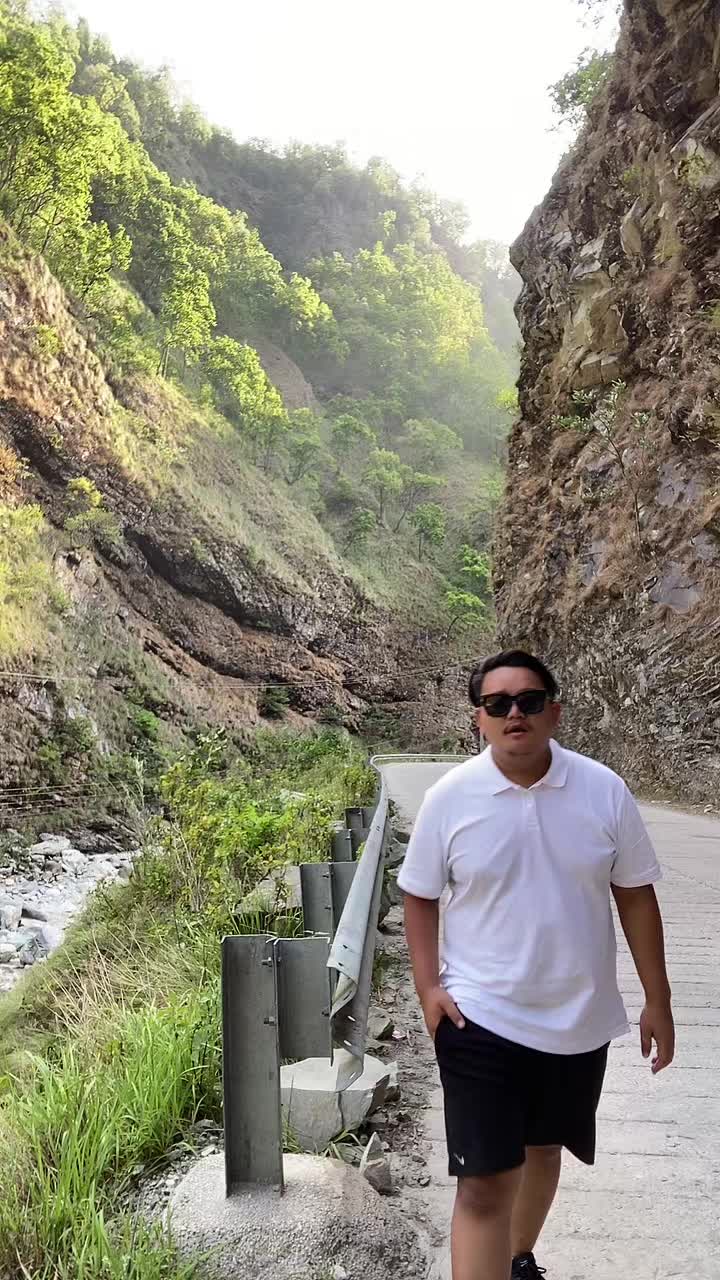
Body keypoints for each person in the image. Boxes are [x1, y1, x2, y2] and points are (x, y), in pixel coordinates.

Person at [398, 649, 674, 1280]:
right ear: (479, 719)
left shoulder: (603, 790)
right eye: (497, 704)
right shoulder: (450, 798)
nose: (513, 713)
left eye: (528, 700)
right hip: (477, 1014)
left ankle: (518, 1260)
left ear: (555, 712)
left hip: (578, 1019)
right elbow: (418, 894)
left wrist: (657, 1000)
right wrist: (428, 987)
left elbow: (635, 895)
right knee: (484, 1183)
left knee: (545, 1150)